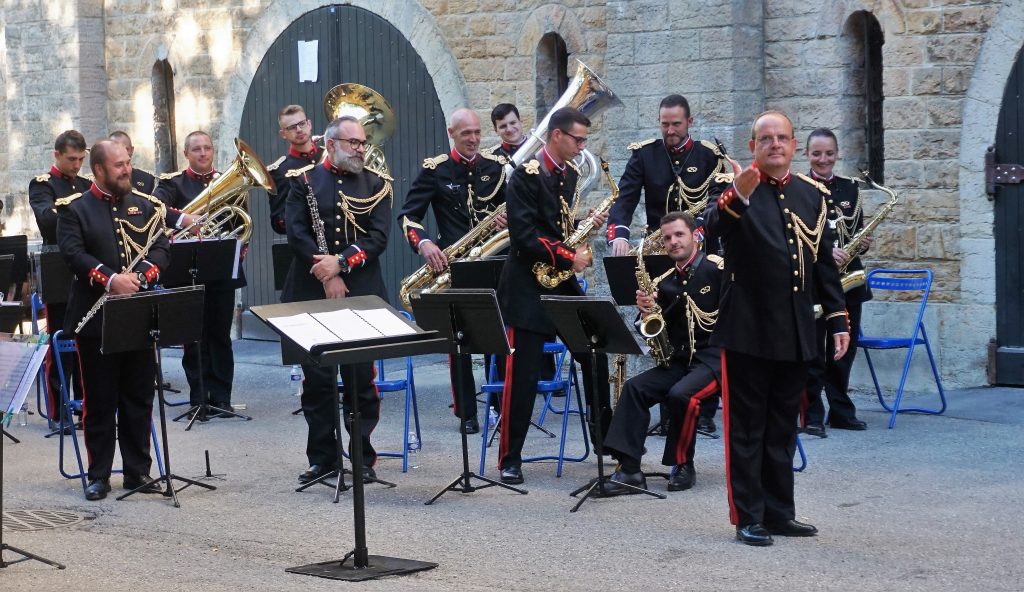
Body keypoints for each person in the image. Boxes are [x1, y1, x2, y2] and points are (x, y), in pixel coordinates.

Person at [710, 110, 849, 546]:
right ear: (752, 147)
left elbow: (822, 262)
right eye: (765, 139)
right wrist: (738, 193)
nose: (774, 144)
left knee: (783, 426)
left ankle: (779, 512)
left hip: (794, 328)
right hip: (748, 328)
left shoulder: (812, 194)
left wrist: (838, 317)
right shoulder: (735, 191)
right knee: (747, 428)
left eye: (782, 138)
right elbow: (713, 230)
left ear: (792, 145)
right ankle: (748, 515)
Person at [495, 106, 610, 486]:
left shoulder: (571, 174)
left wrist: (583, 228)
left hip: (560, 280)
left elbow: (559, 222)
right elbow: (525, 235)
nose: (582, 147)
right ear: (557, 135)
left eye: (584, 141)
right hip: (528, 283)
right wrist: (568, 254)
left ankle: (606, 442)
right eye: (577, 140)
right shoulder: (525, 174)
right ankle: (510, 458)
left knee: (594, 353)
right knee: (523, 375)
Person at [606, 94, 730, 434]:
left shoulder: (709, 155)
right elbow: (625, 198)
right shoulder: (644, 155)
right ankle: (670, 409)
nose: (670, 130)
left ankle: (702, 412)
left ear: (689, 122)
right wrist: (618, 233)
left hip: (702, 252)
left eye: (676, 124)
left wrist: (700, 232)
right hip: (659, 253)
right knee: (664, 328)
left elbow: (719, 200)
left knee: (701, 330)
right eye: (664, 124)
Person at [56, 139, 169, 500]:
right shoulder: (74, 209)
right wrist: (110, 278)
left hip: (138, 313)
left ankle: (138, 472)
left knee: (139, 396)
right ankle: (99, 475)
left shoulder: (145, 205)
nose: (127, 170)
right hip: (96, 319)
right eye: (119, 165)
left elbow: (162, 246)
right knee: (100, 401)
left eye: (128, 162)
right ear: (99, 170)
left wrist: (142, 278)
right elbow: (73, 253)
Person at [283, 115, 393, 484]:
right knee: (316, 380)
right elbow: (297, 233)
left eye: (363, 143)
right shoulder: (303, 183)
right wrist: (326, 271)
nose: (361, 149)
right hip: (311, 289)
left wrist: (341, 264)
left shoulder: (377, 184)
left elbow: (378, 238)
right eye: (353, 143)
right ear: (331, 145)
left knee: (361, 380)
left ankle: (362, 457)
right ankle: (323, 459)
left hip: (359, 290)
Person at [397, 108, 508, 434]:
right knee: (458, 340)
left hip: (494, 262)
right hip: (453, 266)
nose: (473, 139)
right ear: (451, 133)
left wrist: (509, 218)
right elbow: (408, 217)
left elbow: (519, 207)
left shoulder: (496, 167)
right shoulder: (435, 170)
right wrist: (425, 245)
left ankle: (502, 406)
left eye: (476, 132)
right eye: (466, 134)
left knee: (497, 339)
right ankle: (468, 413)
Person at [603, 211, 722, 495]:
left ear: (695, 235)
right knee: (634, 388)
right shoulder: (663, 282)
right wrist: (645, 312)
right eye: (667, 238)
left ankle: (683, 464)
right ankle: (630, 470)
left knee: (681, 394)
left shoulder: (717, 270)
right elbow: (648, 331)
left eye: (679, 235)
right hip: (680, 361)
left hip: (715, 360)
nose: (673, 242)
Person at [155, 131, 239, 416]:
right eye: (197, 149)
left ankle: (222, 397)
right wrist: (183, 220)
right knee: (193, 338)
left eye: (207, 148)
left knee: (220, 336)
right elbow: (156, 209)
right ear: (187, 154)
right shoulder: (172, 183)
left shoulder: (227, 181)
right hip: (185, 272)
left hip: (220, 269)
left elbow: (239, 221)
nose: (203, 153)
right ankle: (199, 399)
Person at [802, 128, 872, 437]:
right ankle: (813, 414)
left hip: (849, 280)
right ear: (807, 155)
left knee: (846, 348)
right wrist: (824, 251)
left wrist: (863, 243)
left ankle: (841, 410)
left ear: (837, 154)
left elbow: (855, 228)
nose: (823, 159)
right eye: (816, 153)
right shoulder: (798, 188)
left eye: (829, 153)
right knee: (815, 350)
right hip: (816, 281)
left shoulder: (850, 189)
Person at [28, 130, 91, 419]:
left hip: (86, 269)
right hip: (58, 272)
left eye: (80, 159)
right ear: (57, 155)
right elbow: (48, 220)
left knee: (86, 344)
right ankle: (60, 411)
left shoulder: (87, 184)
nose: (77, 165)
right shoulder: (43, 185)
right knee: (60, 341)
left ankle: (85, 405)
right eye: (71, 159)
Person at [266, 105, 322, 235]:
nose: (298, 129)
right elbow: (278, 223)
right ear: (283, 134)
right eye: (291, 127)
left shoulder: (331, 155)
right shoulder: (278, 172)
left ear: (309, 124)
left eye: (302, 123)